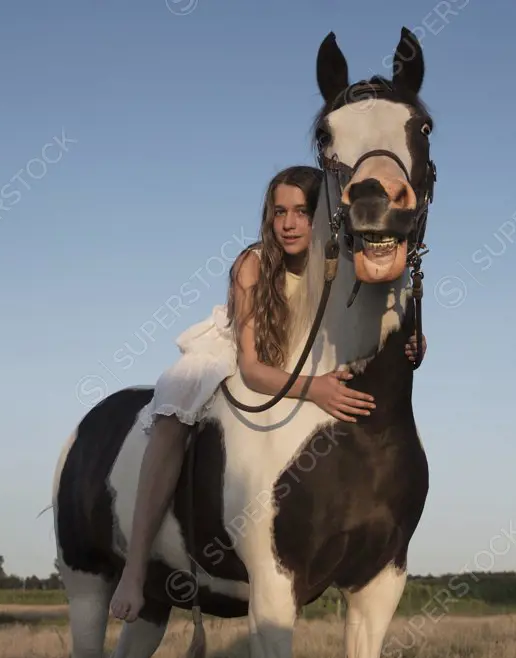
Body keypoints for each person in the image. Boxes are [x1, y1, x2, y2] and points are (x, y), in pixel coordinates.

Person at [108, 165, 425, 623]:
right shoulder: (253, 263)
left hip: (304, 357)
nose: (290, 223)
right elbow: (253, 368)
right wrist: (313, 388)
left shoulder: (339, 268)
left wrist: (410, 342)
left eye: (302, 212)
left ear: (325, 218)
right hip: (239, 353)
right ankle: (135, 568)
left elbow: (368, 332)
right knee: (174, 406)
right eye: (280, 212)